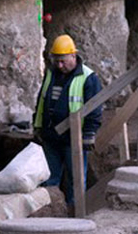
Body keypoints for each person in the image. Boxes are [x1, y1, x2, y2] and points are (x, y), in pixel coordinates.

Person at [33, 34, 102, 207]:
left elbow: (94, 109)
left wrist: (89, 134)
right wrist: (38, 126)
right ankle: (51, 213)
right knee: (50, 178)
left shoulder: (88, 77)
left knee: (75, 181)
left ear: (73, 55)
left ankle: (75, 214)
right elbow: (42, 100)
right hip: (51, 136)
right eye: (56, 61)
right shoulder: (51, 74)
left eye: (63, 61)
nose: (60, 65)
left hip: (74, 138)